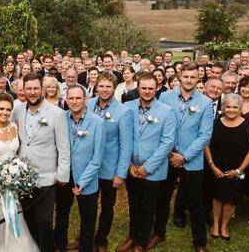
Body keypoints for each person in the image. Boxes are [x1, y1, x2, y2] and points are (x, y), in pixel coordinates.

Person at [152, 62, 213, 252]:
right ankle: (158, 233)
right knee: (162, 198)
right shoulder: (165, 96)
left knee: (196, 202)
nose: (189, 80)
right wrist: (169, 153)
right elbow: (159, 126)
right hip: (167, 157)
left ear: (198, 79)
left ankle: (200, 242)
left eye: (193, 77)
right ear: (180, 76)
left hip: (191, 160)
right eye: (186, 76)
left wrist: (184, 157)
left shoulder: (205, 102)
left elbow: (205, 135)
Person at [11, 73, 70, 252]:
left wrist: (62, 174)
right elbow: (12, 137)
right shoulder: (18, 111)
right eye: (28, 89)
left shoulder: (57, 114)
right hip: (23, 178)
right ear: (23, 90)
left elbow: (64, 147)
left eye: (36, 88)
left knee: (44, 220)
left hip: (47, 176)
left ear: (42, 89)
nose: (32, 92)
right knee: (28, 219)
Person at [119, 73, 175, 252]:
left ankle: (141, 242)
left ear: (156, 88)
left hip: (153, 170)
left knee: (147, 206)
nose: (147, 91)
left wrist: (147, 168)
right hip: (132, 168)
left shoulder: (166, 111)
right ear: (138, 88)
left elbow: (167, 143)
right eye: (143, 88)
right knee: (134, 204)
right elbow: (123, 138)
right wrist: (129, 165)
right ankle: (132, 236)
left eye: (151, 88)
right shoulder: (127, 108)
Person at [0, 93, 39, 251]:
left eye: (8, 109)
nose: (5, 112)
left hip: (13, 181)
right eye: (1, 109)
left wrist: (16, 174)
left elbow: (17, 152)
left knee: (14, 216)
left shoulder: (14, 127)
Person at [54, 85, 104, 252]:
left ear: (86, 100)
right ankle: (60, 244)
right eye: (71, 98)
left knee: (88, 219)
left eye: (78, 98)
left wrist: (82, 181)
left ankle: (85, 247)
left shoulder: (98, 122)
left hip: (87, 178)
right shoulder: (61, 118)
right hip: (64, 177)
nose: (75, 102)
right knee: (61, 214)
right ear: (66, 100)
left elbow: (97, 158)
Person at [87, 72, 133, 252]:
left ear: (114, 89)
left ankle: (101, 239)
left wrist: (121, 173)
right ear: (96, 86)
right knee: (88, 206)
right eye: (101, 86)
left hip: (109, 168)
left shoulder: (123, 111)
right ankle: (86, 236)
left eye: (108, 86)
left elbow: (126, 144)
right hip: (89, 167)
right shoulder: (88, 105)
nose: (104, 90)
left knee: (107, 206)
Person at [205, 94, 249, 241]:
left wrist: (239, 170)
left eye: (235, 107)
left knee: (230, 199)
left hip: (236, 170)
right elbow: (206, 145)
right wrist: (212, 166)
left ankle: (224, 225)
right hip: (217, 169)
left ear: (240, 108)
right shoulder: (214, 123)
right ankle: (215, 224)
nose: (231, 110)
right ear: (223, 108)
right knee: (217, 197)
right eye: (228, 106)